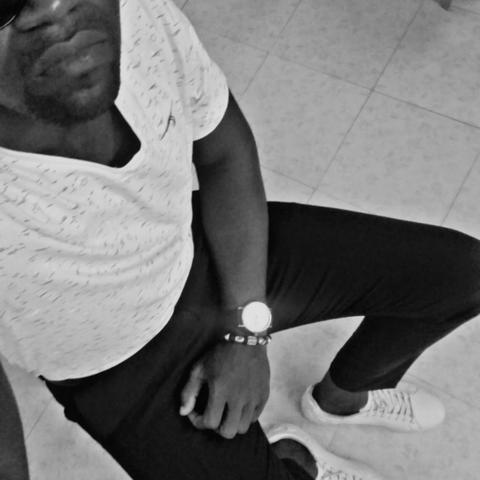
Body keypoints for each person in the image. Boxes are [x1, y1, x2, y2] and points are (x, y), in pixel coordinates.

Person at [0, 1, 479, 479]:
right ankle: (294, 462)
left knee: (463, 276)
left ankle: (340, 400)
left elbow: (223, 153)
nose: (54, 6)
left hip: (200, 251)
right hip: (115, 370)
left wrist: (247, 334)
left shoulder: (141, 18)